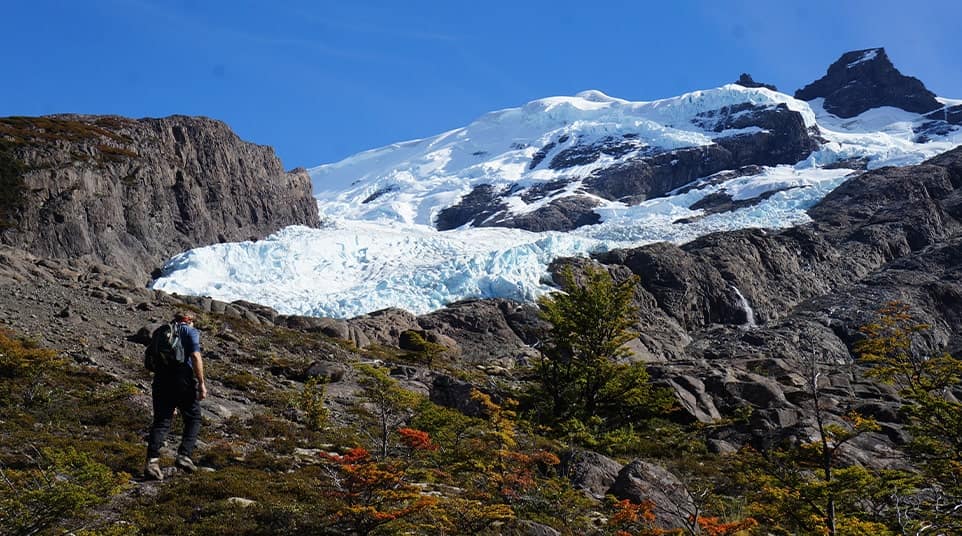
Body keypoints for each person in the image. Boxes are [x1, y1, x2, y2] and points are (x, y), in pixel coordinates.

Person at [145, 312, 207, 480]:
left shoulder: (160, 331)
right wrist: (201, 383)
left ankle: (152, 462)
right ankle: (184, 455)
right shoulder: (189, 331)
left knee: (161, 422)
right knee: (193, 417)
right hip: (182, 380)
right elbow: (195, 356)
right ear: (189, 321)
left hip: (160, 380)